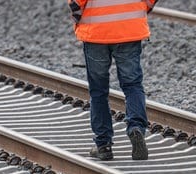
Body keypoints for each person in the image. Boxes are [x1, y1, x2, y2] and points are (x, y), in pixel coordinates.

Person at [68, 0, 158, 160]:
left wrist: (77, 17)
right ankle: (136, 128)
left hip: (96, 33)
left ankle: (103, 145)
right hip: (129, 29)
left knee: (98, 90)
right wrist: (141, 10)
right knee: (133, 85)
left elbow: (75, 2)